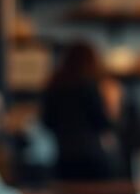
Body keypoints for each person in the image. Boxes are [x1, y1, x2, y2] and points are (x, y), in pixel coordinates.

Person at [41, 42, 124, 180]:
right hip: (91, 154)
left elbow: (46, 121)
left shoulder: (54, 85)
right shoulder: (88, 86)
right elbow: (101, 121)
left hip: (64, 154)